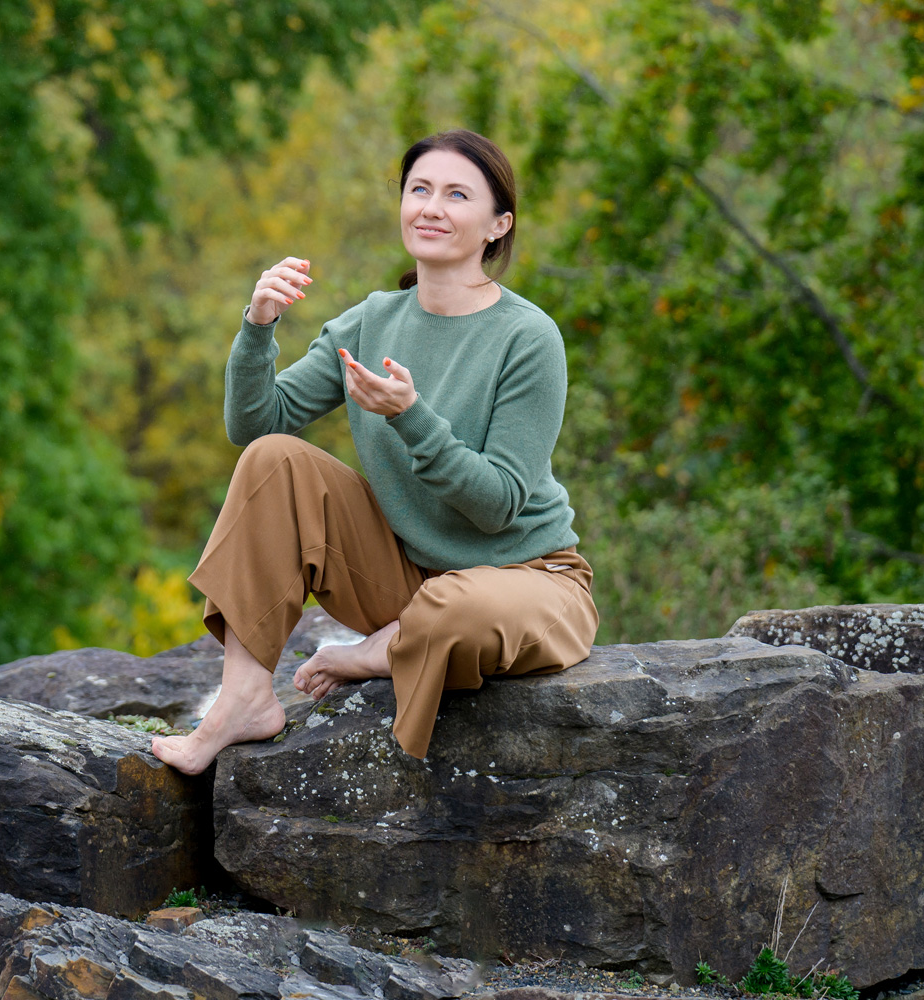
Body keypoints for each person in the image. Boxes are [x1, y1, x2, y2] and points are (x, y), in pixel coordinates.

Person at [150, 129, 599, 774]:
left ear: (498, 224)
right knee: (275, 458)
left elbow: (499, 507)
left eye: (456, 194)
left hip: (525, 579)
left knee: (461, 608)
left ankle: (373, 653)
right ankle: (245, 696)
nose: (431, 207)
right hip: (403, 578)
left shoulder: (528, 338)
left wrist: (412, 419)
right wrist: (258, 327)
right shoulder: (371, 322)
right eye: (419, 189)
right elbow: (255, 425)